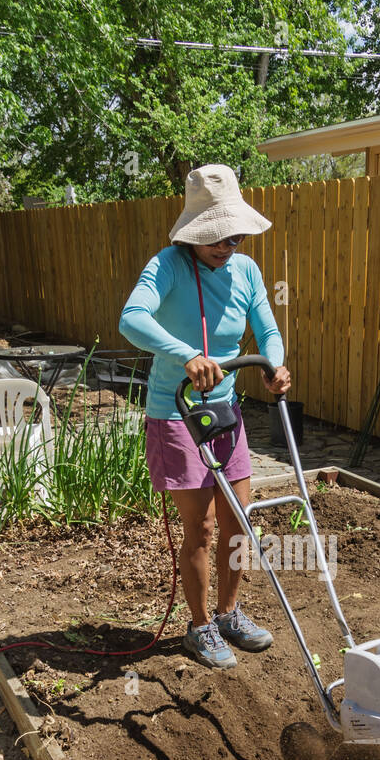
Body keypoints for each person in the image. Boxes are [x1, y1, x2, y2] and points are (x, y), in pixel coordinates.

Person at [118, 164, 291, 670]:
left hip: (226, 410)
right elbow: (132, 318)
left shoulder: (247, 270)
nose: (227, 244)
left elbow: (268, 328)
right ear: (195, 231)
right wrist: (187, 354)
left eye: (234, 235)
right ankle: (199, 627)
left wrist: (275, 365)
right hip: (175, 411)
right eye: (216, 235)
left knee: (239, 519)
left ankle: (230, 612)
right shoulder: (167, 265)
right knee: (203, 526)